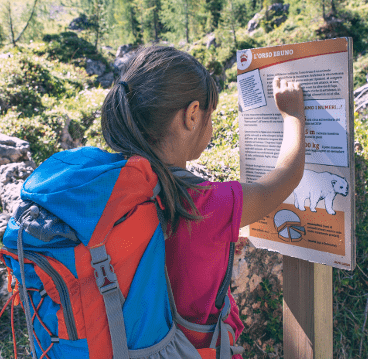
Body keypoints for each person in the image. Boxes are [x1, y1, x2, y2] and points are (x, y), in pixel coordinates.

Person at [100, 45, 305, 358]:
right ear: (192, 114)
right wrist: (293, 117)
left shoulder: (111, 188)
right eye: (212, 115)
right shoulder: (203, 205)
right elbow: (283, 179)